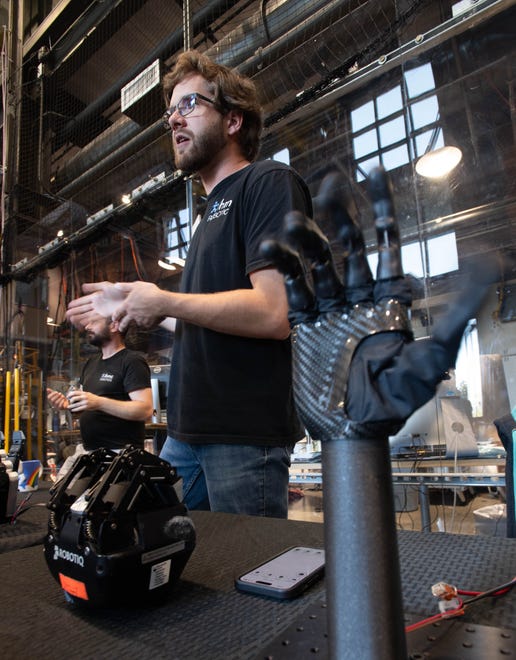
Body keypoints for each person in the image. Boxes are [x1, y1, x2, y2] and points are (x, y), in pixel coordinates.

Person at [65, 49, 312, 518]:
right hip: (185, 432)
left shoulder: (266, 183)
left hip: (242, 435)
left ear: (233, 120)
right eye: (170, 112)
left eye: (189, 105)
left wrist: (164, 298)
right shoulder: (205, 218)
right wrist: (139, 305)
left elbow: (272, 313)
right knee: (161, 553)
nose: (174, 121)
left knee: (249, 579)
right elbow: (203, 321)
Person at [47, 314, 153, 464]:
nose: (88, 326)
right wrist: (69, 405)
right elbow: (88, 406)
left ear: (114, 325)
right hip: (89, 452)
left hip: (120, 455)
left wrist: (98, 402)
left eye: (94, 321)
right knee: (60, 487)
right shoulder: (91, 363)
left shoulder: (132, 361)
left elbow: (145, 410)